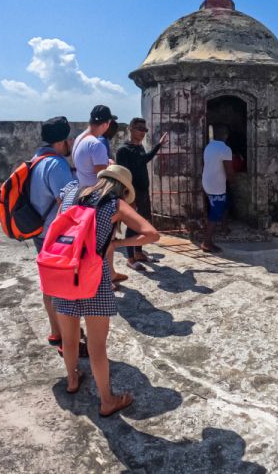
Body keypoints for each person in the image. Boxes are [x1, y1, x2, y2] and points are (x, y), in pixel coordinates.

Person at [54, 166, 160, 417]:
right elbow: (151, 234)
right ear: (123, 189)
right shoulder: (114, 204)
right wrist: (118, 242)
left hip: (64, 271)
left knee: (69, 339)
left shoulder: (72, 192)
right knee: (97, 346)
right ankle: (107, 401)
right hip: (94, 277)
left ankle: (71, 380)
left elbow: (59, 226)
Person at [29, 117, 76, 347]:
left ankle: (56, 331)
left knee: (49, 286)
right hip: (57, 235)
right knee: (64, 291)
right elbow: (67, 203)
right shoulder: (56, 164)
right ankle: (69, 340)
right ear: (61, 141)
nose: (71, 142)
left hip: (39, 232)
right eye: (69, 138)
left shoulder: (36, 159)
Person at [115, 118, 169, 272]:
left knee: (143, 223)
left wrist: (157, 146)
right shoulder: (124, 150)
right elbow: (122, 175)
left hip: (143, 191)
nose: (142, 132)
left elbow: (142, 161)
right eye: (139, 129)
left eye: (145, 130)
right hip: (132, 193)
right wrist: (126, 196)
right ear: (130, 128)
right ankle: (130, 258)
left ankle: (138, 253)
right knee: (132, 225)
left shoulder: (139, 148)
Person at [201, 125, 233, 253]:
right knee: (215, 213)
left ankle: (224, 227)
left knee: (225, 203)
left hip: (207, 182)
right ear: (226, 135)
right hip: (216, 185)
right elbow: (229, 170)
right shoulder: (225, 149)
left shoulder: (209, 146)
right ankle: (207, 242)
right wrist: (233, 181)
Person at [72, 105, 117, 190]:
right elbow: (103, 177)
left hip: (82, 190)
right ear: (105, 124)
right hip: (94, 194)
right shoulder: (97, 145)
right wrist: (111, 167)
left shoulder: (79, 139)